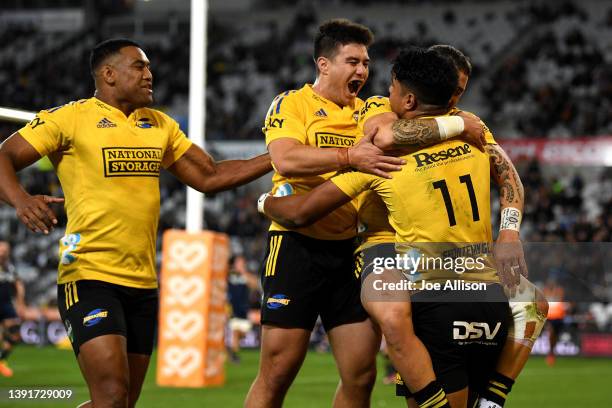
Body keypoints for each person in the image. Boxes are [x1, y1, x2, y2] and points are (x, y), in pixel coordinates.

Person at [0, 38, 272, 408]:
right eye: (139, 67)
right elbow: (4, 156)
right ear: (109, 74)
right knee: (111, 396)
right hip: (90, 276)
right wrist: (21, 200)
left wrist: (279, 157)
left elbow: (209, 176)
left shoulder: (158, 124)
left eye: (148, 67)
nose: (150, 74)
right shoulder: (69, 118)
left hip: (142, 284)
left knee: (121, 403)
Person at [245, 20, 485, 408]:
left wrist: (457, 120)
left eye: (366, 63)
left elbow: (394, 129)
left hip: (350, 250)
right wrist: (349, 155)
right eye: (352, 61)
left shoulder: (370, 108)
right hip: (296, 245)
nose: (361, 71)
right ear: (323, 64)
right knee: (278, 370)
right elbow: (285, 158)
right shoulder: (292, 103)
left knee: (361, 375)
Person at [362, 44, 548, 408]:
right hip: (392, 243)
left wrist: (509, 231)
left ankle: (491, 399)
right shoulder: (387, 106)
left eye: (461, 91)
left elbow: (508, 174)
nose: (456, 98)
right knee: (398, 316)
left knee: (532, 304)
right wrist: (457, 124)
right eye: (453, 88)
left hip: (463, 265)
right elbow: (382, 136)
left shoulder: (469, 121)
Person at [227, 254, 258, 363]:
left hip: (244, 309)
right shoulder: (228, 274)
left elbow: (255, 285)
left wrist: (243, 272)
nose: (242, 263)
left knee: (242, 333)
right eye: (239, 262)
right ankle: (232, 355)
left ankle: (231, 351)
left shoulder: (246, 275)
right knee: (235, 331)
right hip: (231, 309)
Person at [0, 240, 24, 377]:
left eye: (5, 250)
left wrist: (21, 303)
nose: (2, 252)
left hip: (6, 305)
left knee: (15, 334)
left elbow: (18, 284)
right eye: (1, 249)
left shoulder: (10, 268)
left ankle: (1, 361)